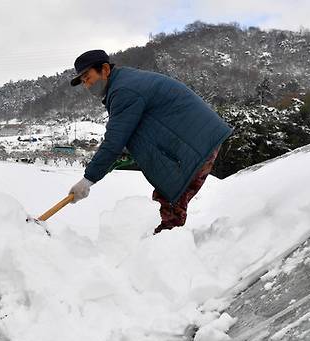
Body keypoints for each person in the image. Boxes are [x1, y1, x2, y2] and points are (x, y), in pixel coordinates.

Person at [67, 50, 232, 234]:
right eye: (83, 82)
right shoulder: (124, 84)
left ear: (105, 69)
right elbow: (135, 131)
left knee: (171, 199)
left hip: (197, 142)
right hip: (197, 139)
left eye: (88, 78)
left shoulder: (123, 90)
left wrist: (88, 180)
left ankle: (167, 250)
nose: (87, 85)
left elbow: (114, 141)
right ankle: (164, 245)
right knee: (168, 197)